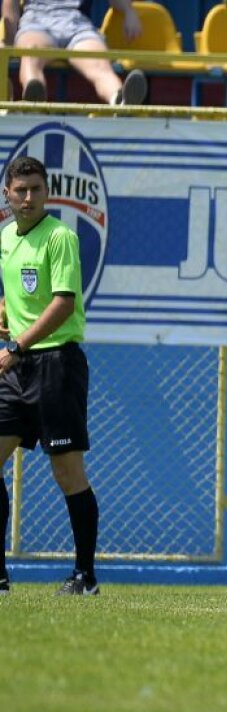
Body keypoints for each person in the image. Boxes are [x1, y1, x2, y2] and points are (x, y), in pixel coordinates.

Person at [0, 155, 101, 595]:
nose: (28, 198)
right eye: (20, 190)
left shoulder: (60, 237)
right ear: (7, 194)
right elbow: (19, 298)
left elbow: (61, 303)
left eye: (36, 190)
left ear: (46, 193)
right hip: (17, 368)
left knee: (67, 472)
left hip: (56, 364)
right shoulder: (5, 237)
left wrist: (17, 345)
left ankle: (85, 576)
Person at [1, 0, 147, 106]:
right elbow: (10, 4)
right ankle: (34, 100)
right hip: (36, 24)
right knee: (31, 55)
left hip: (77, 25)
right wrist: (8, 42)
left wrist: (129, 11)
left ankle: (120, 101)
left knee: (100, 65)